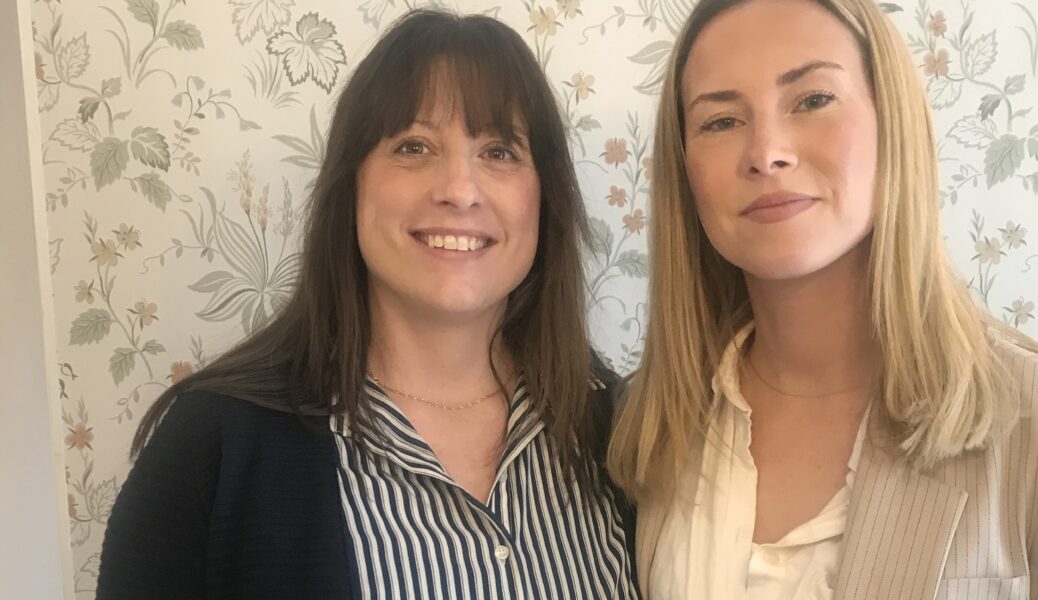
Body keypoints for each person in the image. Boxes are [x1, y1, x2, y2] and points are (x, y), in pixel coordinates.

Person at [607, 0, 1038, 598]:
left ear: (891, 120)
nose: (766, 153)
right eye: (720, 121)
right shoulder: (645, 428)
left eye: (813, 99)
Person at [98, 10, 638, 599]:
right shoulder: (211, 448)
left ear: (545, 195)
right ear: (351, 184)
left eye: (500, 152)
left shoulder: (622, 433)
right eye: (414, 145)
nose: (460, 190)